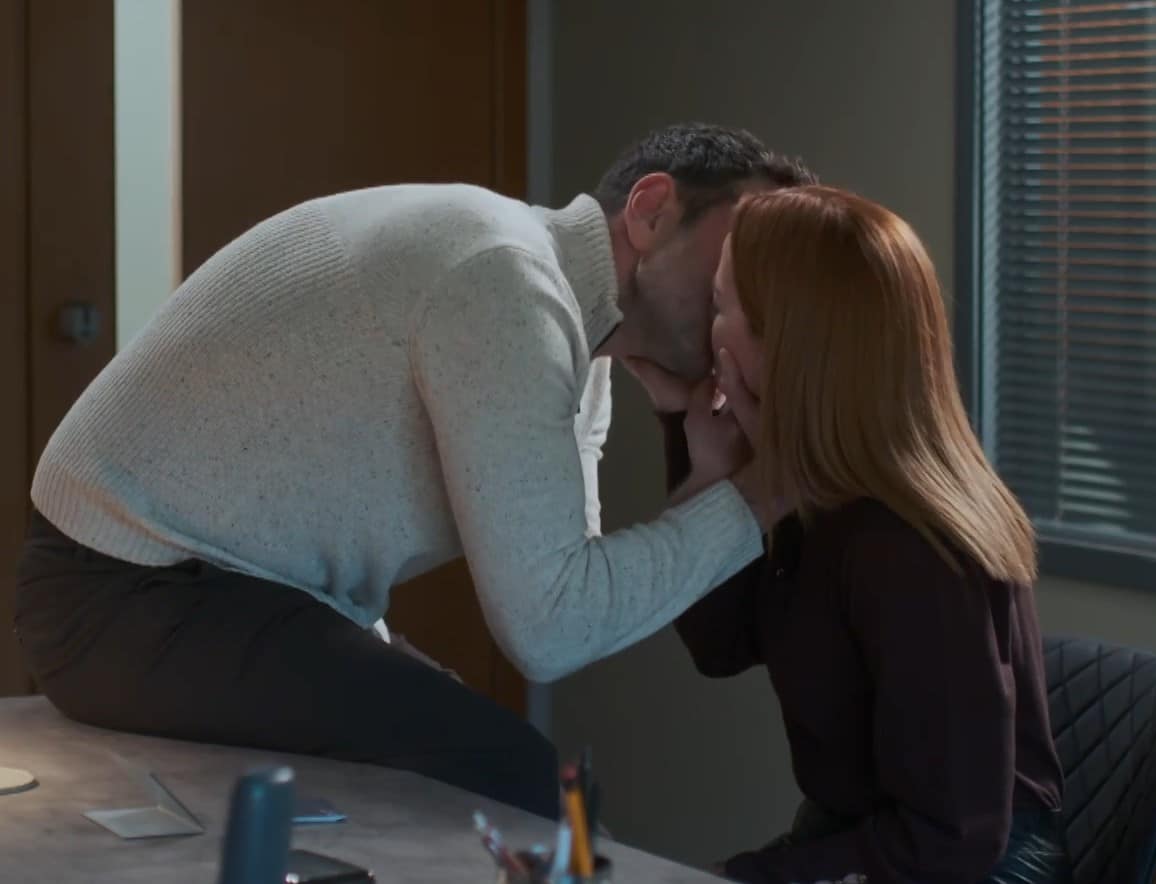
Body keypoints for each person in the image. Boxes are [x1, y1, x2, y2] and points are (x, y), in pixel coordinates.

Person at [13, 124, 812, 818]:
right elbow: (552, 626)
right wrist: (762, 492)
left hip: (205, 590)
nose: (751, 296)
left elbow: (574, 584)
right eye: (742, 254)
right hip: (125, 590)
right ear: (651, 209)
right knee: (522, 782)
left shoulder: (567, 335)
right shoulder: (504, 278)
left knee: (499, 771)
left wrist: (704, 469)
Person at [650, 186, 1069, 883]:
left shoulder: (909, 547)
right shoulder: (813, 488)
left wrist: (747, 875)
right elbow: (718, 644)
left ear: (786, 346)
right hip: (869, 838)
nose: (704, 329)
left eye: (719, 305)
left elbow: (951, 840)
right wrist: (706, 467)